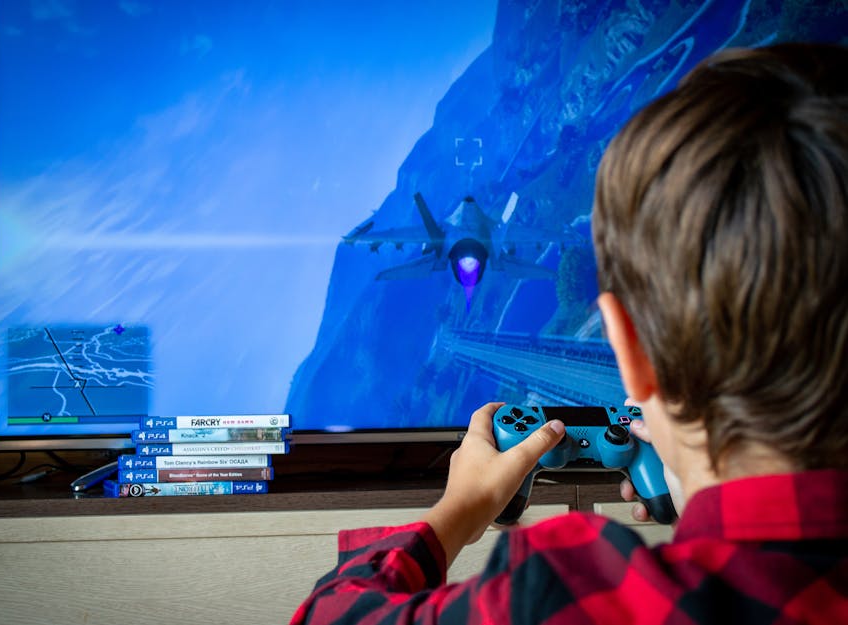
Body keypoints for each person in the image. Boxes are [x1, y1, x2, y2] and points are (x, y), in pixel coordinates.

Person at [290, 42, 848, 625]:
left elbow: (331, 613)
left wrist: (463, 506)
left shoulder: (570, 595)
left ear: (629, 352)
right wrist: (707, 491)